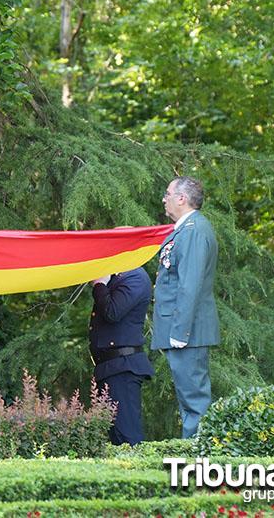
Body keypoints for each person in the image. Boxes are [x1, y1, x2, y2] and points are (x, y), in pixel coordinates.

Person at [152, 176, 220, 438]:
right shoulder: (187, 229)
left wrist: (180, 332)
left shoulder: (192, 230)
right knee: (189, 399)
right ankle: (193, 458)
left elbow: (189, 285)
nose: (164, 198)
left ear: (181, 198)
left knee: (194, 401)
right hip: (184, 330)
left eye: (168, 193)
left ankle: (198, 463)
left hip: (186, 332)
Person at [88, 267, 156, 445]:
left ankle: (136, 473)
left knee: (127, 438)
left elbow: (113, 312)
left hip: (122, 367)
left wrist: (99, 285)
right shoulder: (118, 274)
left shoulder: (135, 277)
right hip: (110, 367)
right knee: (116, 438)